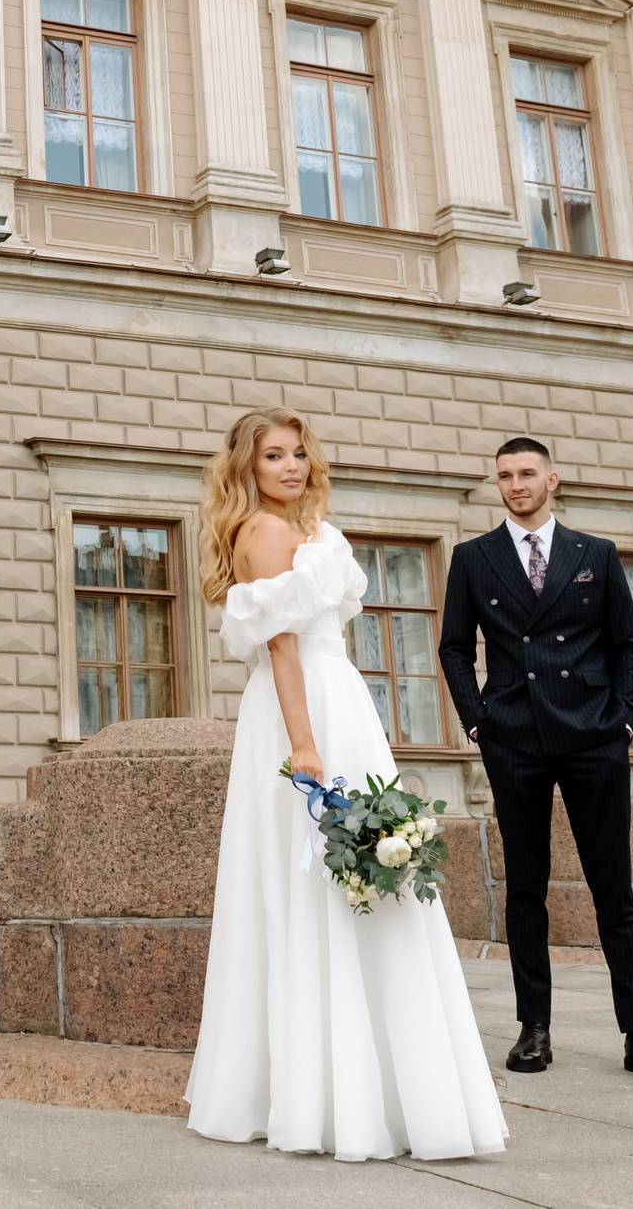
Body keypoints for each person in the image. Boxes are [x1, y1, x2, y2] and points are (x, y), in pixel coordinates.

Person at [184, 406, 507, 1162]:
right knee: (322, 885)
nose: (292, 465)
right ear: (248, 468)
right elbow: (285, 646)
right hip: (307, 711)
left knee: (358, 881)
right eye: (273, 455)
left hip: (340, 700)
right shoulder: (264, 532)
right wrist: (304, 745)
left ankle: (367, 1086)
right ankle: (337, 1093)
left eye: (299, 453)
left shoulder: (306, 531)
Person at [438, 436, 633, 1085]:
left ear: (553, 478)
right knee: (526, 889)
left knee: (615, 891)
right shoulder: (473, 558)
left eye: (526, 473)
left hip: (593, 734)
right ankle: (534, 1029)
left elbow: (629, 644)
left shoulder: (595, 555)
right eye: (504, 475)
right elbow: (455, 647)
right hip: (513, 736)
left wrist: (627, 718)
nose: (515, 484)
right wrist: (477, 719)